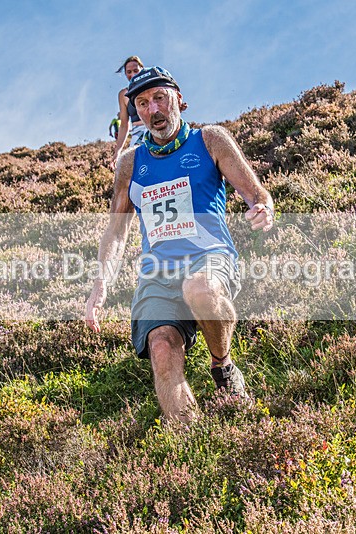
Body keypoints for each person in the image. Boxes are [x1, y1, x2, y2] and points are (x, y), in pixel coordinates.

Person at [85, 66, 274, 423]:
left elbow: (256, 193)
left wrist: (262, 208)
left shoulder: (209, 140)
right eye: (142, 104)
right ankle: (190, 442)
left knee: (199, 288)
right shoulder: (129, 164)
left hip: (210, 258)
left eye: (159, 98)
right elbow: (116, 231)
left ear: (179, 99)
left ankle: (222, 365)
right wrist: (100, 286)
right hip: (158, 272)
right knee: (160, 347)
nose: (153, 110)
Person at [112, 56, 147, 167]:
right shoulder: (123, 94)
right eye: (129, 72)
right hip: (137, 135)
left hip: (155, 130)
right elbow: (124, 125)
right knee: (135, 168)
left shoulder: (152, 87)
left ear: (142, 69)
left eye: (136, 70)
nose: (132, 74)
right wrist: (118, 151)